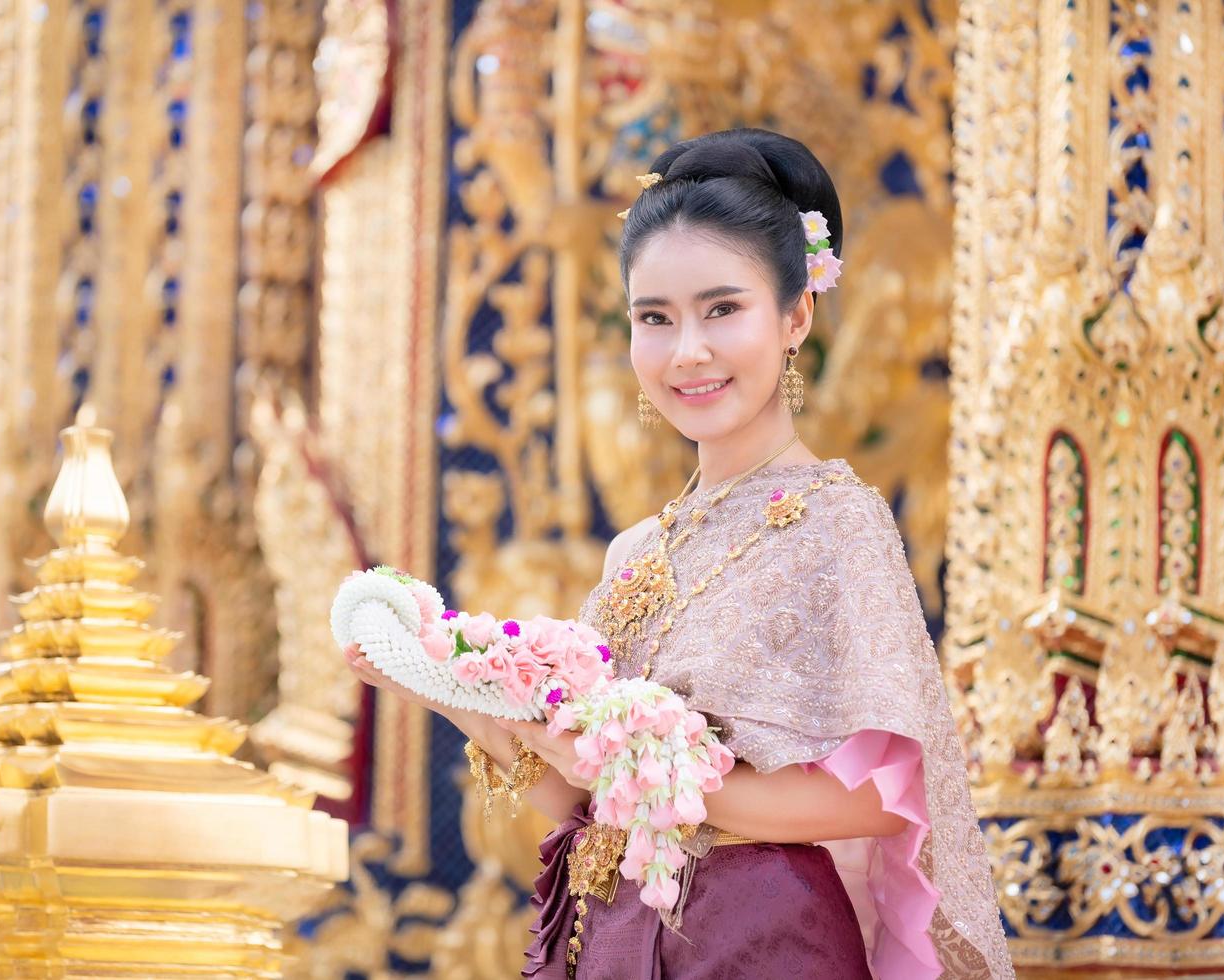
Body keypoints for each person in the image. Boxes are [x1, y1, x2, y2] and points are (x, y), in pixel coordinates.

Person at [346, 127, 1013, 979]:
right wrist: (447, 687)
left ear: (795, 314)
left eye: (722, 309)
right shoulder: (636, 549)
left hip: (756, 935)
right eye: (654, 319)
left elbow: (876, 797)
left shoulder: (838, 523)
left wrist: (654, 774)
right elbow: (572, 800)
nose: (686, 350)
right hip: (607, 931)